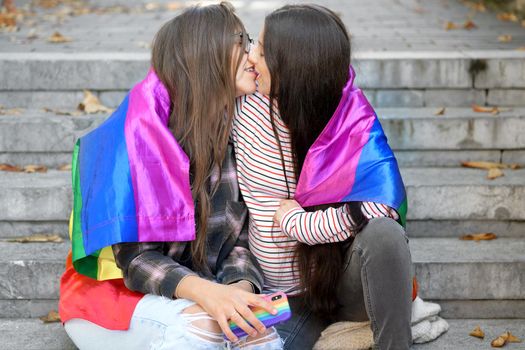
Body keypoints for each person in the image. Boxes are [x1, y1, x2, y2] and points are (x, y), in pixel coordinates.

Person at [59, 3, 284, 349]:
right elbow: (135, 260)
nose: (253, 54)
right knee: (202, 331)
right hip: (115, 298)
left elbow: (240, 239)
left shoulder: (234, 132)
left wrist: (241, 289)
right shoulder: (135, 135)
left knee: (259, 334)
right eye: (243, 40)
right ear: (205, 50)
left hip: (199, 291)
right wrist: (208, 294)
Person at [231, 4, 413, 349]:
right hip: (277, 297)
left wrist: (300, 225)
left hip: (336, 288)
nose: (251, 55)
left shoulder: (348, 120)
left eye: (263, 50)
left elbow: (382, 208)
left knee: (386, 236)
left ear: (294, 67)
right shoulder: (245, 105)